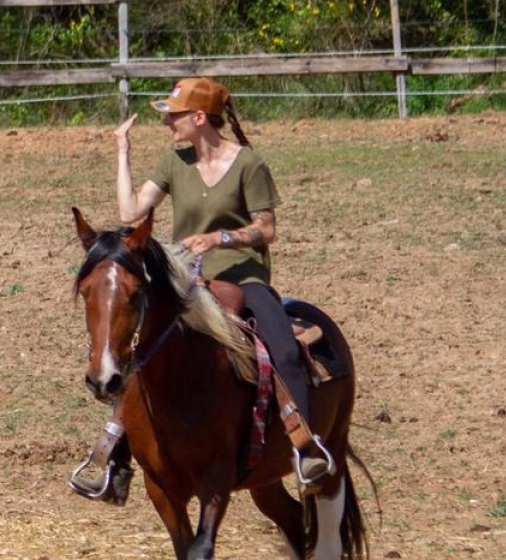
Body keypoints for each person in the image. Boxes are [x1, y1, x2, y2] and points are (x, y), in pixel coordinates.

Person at [70, 76, 334, 503]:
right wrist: (122, 151)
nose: (168, 123)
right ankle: (114, 458)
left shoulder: (249, 164)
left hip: (243, 279)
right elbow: (129, 210)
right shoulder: (175, 162)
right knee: (142, 351)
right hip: (186, 279)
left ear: (198, 117)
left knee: (283, 348)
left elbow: (267, 229)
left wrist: (219, 239)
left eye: (174, 116)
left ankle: (304, 446)